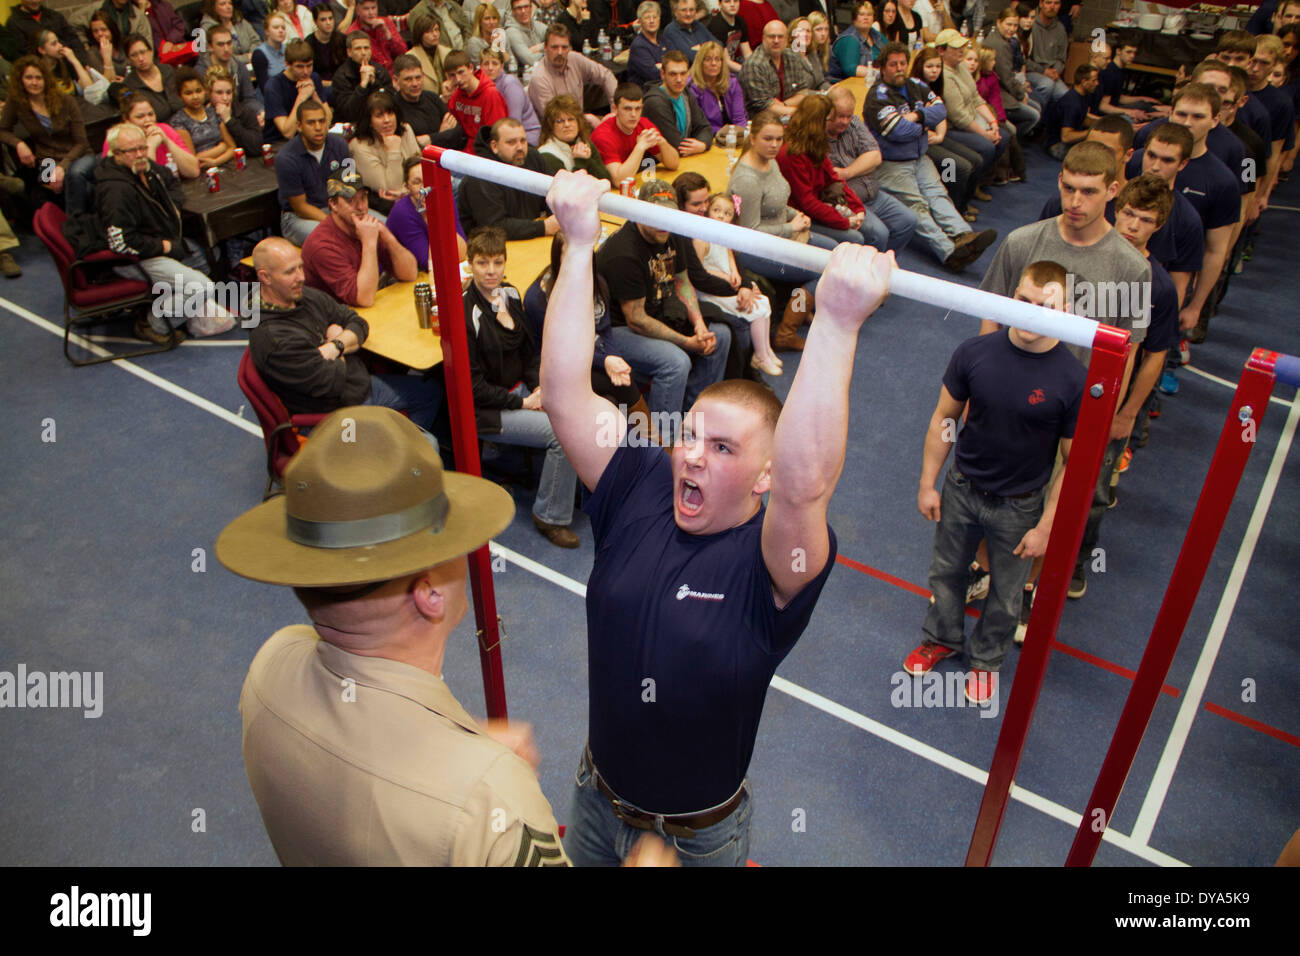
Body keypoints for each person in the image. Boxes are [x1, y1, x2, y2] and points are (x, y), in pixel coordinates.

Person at [542, 168, 890, 866]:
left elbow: (805, 485)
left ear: (764, 473)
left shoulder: (775, 564)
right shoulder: (639, 479)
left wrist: (838, 323)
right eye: (692, 434)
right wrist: (580, 245)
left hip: (695, 839)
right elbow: (562, 395)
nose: (691, 457)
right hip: (593, 803)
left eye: (723, 447)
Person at [218, 401, 580, 866]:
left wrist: (466, 745)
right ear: (429, 593)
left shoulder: (270, 664)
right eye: (450, 540)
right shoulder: (493, 804)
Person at [904, 259, 1085, 700]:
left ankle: (986, 661)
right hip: (962, 488)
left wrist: (1047, 526)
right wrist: (929, 481)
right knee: (946, 573)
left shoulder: (1074, 379)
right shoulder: (974, 352)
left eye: (1045, 305)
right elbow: (944, 418)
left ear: (1065, 310)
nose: (1030, 312)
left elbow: (1076, 464)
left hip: (1021, 505)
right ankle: (941, 639)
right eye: (1024, 300)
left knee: (1006, 593)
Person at [978, 141, 1150, 601]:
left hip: (1072, 409)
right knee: (985, 489)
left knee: (1049, 504)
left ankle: (1025, 589)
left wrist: (1110, 411)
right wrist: (983, 379)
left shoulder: (1131, 267)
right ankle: (980, 573)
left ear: (1113, 190)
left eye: (1090, 192)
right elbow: (990, 315)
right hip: (1008, 394)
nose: (1077, 202)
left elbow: (1128, 348)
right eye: (1070, 188)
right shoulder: (1022, 242)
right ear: (1059, 181)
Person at [461, 226, 583, 548]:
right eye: (482, 263)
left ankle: (569, 487)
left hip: (521, 393)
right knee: (561, 435)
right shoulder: (464, 311)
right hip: (487, 410)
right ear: (469, 264)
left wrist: (539, 388)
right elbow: (472, 388)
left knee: (572, 411)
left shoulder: (511, 295)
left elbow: (529, 353)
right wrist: (523, 404)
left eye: (498, 263)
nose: (491, 271)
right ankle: (550, 516)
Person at [248, 237, 442, 431]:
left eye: (300, 267)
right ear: (265, 277)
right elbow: (330, 381)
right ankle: (391, 452)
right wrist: (342, 340)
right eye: (290, 271)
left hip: (359, 385)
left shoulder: (302, 295)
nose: (301, 277)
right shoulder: (273, 338)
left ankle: (397, 447)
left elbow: (357, 322)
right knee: (430, 445)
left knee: (431, 391)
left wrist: (335, 346)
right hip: (337, 415)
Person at [593, 178, 732, 441]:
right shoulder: (623, 252)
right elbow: (636, 320)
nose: (662, 223)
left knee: (720, 335)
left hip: (657, 310)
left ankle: (694, 421)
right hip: (615, 330)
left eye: (668, 215)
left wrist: (700, 327)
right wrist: (688, 342)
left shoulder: (671, 232)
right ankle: (660, 443)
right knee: (675, 362)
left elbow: (683, 282)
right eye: (655, 215)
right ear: (638, 212)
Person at [94, 123, 237, 342]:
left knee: (206, 257)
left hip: (159, 244)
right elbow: (120, 243)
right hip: (135, 258)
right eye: (132, 151)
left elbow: (172, 182)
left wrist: (172, 206)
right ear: (116, 154)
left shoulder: (145, 170)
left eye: (143, 147)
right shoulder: (115, 191)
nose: (141, 154)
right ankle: (154, 324)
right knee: (201, 287)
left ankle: (170, 307)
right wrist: (164, 246)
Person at [866, 42, 994, 271]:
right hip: (892, 164)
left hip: (921, 156)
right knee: (918, 206)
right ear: (882, 67)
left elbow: (940, 110)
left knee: (938, 195)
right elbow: (897, 131)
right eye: (893, 64)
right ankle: (949, 252)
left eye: (902, 63)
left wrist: (916, 117)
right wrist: (925, 125)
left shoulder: (916, 84)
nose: (898, 68)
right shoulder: (877, 96)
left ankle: (964, 236)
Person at [725, 109, 827, 347]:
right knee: (821, 272)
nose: (774, 145)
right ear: (752, 138)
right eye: (767, 139)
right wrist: (791, 227)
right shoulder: (746, 180)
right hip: (756, 251)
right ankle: (786, 331)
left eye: (779, 139)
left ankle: (802, 309)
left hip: (781, 237)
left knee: (834, 250)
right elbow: (750, 232)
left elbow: (778, 203)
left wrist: (795, 215)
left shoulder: (770, 163)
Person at [523, 232, 646, 418]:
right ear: (558, 258)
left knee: (622, 381)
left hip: (589, 358)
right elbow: (562, 349)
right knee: (619, 388)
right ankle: (651, 444)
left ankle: (644, 444)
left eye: (583, 254)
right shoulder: (540, 298)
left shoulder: (598, 284)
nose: (578, 261)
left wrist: (614, 357)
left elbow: (604, 330)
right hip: (557, 369)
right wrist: (604, 361)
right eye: (570, 255)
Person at [693, 192, 782, 376]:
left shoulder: (724, 236)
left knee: (763, 301)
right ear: (708, 210)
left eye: (727, 213)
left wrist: (734, 273)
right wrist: (724, 276)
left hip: (726, 286)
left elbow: (730, 257)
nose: (720, 216)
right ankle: (760, 355)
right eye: (716, 210)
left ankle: (765, 350)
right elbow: (698, 269)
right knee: (757, 307)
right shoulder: (701, 238)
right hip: (710, 293)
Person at [301, 173, 420, 306]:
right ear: (333, 204)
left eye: (363, 198)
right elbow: (364, 299)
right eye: (350, 200)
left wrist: (388, 237)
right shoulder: (322, 245)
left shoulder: (366, 227)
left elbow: (410, 274)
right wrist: (369, 242)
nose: (360, 207)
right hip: (331, 319)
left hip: (358, 309)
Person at [826, 82, 918, 252]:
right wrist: (861, 164)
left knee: (908, 221)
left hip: (873, 192)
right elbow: (831, 178)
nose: (845, 121)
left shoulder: (854, 122)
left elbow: (875, 156)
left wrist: (847, 172)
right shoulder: (818, 135)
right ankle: (867, 271)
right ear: (827, 113)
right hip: (847, 200)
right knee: (879, 234)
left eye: (848, 116)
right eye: (840, 116)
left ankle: (881, 264)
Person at [776, 94, 873, 248]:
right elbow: (807, 203)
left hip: (822, 205)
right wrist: (844, 222)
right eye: (829, 120)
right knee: (855, 238)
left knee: (875, 231)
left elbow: (834, 179)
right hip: (802, 215)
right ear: (818, 123)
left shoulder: (815, 143)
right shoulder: (790, 153)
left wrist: (857, 208)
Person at [0, 56, 96, 211]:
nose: (34, 82)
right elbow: (2, 130)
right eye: (29, 77)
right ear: (21, 80)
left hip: (77, 155)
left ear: (46, 79)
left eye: (39, 77)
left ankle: (78, 220)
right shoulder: (17, 102)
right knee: (48, 185)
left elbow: (82, 143)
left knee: (73, 179)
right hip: (47, 158)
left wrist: (62, 167)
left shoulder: (66, 100)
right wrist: (19, 144)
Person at [459, 117, 558, 239]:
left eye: (523, 141)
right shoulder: (481, 173)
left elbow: (555, 193)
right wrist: (544, 227)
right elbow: (494, 226)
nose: (520, 147)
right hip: (491, 248)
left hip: (532, 238)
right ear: (494, 146)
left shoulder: (533, 157)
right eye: (511, 142)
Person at [938, 28, 1007, 182]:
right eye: (956, 48)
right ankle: (970, 187)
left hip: (970, 119)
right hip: (953, 127)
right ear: (942, 51)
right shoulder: (944, 75)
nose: (961, 51)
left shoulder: (961, 66)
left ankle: (979, 182)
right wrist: (984, 134)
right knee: (987, 146)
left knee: (1004, 136)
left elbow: (976, 97)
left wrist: (992, 122)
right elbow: (959, 117)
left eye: (962, 47)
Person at [276, 100, 350, 243]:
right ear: (299, 126)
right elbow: (300, 207)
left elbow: (349, 186)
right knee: (335, 239)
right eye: (311, 123)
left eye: (322, 121)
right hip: (299, 218)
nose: (318, 127)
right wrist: (337, 223)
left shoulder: (340, 145)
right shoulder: (286, 158)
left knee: (383, 226)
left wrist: (352, 214)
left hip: (336, 209)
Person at [526, 22, 616, 128]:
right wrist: (587, 118)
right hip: (557, 133)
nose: (560, 52)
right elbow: (555, 118)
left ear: (569, 48)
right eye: (554, 47)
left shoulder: (574, 59)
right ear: (545, 47)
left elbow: (606, 76)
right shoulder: (540, 78)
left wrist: (615, 106)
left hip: (580, 125)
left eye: (564, 47)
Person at [387, 154, 467, 267]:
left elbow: (462, 252)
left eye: (429, 179)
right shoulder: (402, 213)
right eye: (417, 182)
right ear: (406, 187)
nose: (424, 188)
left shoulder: (446, 200)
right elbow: (429, 262)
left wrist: (439, 213)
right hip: (399, 278)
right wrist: (431, 217)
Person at [349, 89, 420, 215]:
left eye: (390, 113)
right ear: (369, 121)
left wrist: (405, 191)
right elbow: (391, 189)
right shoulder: (359, 146)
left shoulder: (406, 130)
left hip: (414, 194)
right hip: (384, 207)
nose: (387, 120)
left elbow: (419, 169)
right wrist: (393, 151)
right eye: (379, 116)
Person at [102, 89, 200, 179]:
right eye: (140, 117)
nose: (148, 120)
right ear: (127, 120)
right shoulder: (115, 138)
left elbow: (193, 171)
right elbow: (145, 181)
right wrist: (151, 146)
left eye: (151, 114)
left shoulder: (164, 129)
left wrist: (167, 141)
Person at [591, 82, 681, 179]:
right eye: (627, 109)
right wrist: (640, 147)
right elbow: (619, 180)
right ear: (615, 109)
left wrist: (662, 142)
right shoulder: (603, 136)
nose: (633, 114)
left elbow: (674, 164)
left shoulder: (644, 124)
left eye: (637, 109)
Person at [983, 4, 1040, 140]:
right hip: (1000, 94)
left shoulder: (1006, 40)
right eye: (1008, 24)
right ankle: (1011, 141)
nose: (1012, 29)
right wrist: (1021, 94)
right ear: (999, 22)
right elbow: (1006, 78)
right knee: (1034, 115)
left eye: (1015, 26)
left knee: (1037, 105)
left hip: (1005, 89)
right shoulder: (999, 44)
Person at [738, 19, 815, 117]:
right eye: (771, 36)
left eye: (780, 36)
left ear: (787, 39)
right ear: (763, 38)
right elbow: (764, 107)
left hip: (788, 116)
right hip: (761, 121)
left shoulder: (793, 57)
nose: (776, 40)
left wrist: (784, 105)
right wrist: (799, 112)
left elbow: (803, 92)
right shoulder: (754, 65)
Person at [643, 49, 713, 155]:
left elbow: (705, 127)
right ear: (662, 74)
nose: (679, 79)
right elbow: (677, 145)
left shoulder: (686, 94)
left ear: (688, 74)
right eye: (673, 74)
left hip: (684, 160)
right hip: (656, 166)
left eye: (683, 73)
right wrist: (699, 145)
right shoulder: (655, 103)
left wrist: (702, 145)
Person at [391, 52, 466, 150]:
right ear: (396, 81)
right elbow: (409, 148)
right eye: (408, 79)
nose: (415, 83)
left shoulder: (432, 98)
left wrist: (431, 138)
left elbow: (458, 132)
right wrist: (442, 135)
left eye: (418, 77)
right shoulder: (393, 109)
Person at [263, 37, 331, 141]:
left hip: (309, 136)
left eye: (309, 66)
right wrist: (301, 97)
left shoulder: (314, 78)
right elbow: (287, 132)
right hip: (279, 142)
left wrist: (314, 94)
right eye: (299, 67)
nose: (305, 71)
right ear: (287, 64)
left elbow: (328, 120)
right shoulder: (274, 86)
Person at [538, 92, 615, 182]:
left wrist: (588, 160)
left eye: (571, 119)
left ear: (578, 122)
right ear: (551, 126)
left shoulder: (584, 143)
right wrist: (580, 161)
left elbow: (605, 179)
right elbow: (569, 190)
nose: (567, 125)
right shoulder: (547, 154)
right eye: (560, 121)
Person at [169, 66, 237, 167]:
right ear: (180, 96)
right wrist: (221, 148)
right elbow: (192, 160)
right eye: (188, 93)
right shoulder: (179, 121)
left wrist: (215, 162)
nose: (195, 97)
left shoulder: (212, 112)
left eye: (198, 91)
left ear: (205, 90)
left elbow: (232, 147)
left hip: (224, 164)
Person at [445, 49, 510, 143]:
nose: (458, 79)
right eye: (452, 75)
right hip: (463, 148)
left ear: (471, 68)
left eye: (461, 72)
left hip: (484, 150)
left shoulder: (490, 94)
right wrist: (446, 99)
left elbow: (496, 135)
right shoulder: (457, 94)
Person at [481, 48, 540, 146]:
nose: (490, 68)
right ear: (481, 66)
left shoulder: (509, 83)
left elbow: (514, 122)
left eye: (495, 64)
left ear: (502, 66)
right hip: (500, 135)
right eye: (486, 64)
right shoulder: (483, 85)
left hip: (526, 135)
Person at [331, 32, 393, 126]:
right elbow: (348, 112)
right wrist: (362, 86)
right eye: (358, 49)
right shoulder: (341, 76)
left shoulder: (380, 71)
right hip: (352, 125)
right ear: (349, 52)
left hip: (379, 122)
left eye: (366, 48)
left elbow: (390, 104)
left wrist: (374, 83)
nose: (363, 53)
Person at [122, 33, 184, 123]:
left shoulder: (168, 70)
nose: (140, 58)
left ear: (151, 51)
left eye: (143, 52)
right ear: (129, 59)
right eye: (134, 55)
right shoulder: (130, 84)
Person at [688, 40, 747, 133]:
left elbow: (739, 118)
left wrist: (740, 133)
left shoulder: (732, 82)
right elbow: (699, 124)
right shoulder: (693, 87)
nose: (713, 63)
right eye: (708, 59)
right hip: (708, 135)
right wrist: (725, 133)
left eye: (717, 59)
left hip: (733, 134)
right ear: (700, 62)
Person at [7, 0, 87, 67]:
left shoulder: (54, 16)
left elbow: (73, 40)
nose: (35, 1)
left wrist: (82, 63)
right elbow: (22, 55)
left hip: (68, 67)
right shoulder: (14, 24)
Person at [198, 23, 259, 107]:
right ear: (210, 47)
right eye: (220, 44)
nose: (226, 49)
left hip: (240, 114)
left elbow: (249, 98)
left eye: (229, 43)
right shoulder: (200, 73)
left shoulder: (239, 67)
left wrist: (259, 112)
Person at [1047, 61, 1098, 160]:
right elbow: (1066, 137)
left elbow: (1083, 119)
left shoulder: (1084, 96)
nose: (1097, 83)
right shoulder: (1072, 103)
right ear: (1084, 82)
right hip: (1057, 146)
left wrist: (1104, 124)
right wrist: (1092, 132)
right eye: (1094, 80)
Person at [208, 66, 263, 155]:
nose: (225, 98)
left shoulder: (245, 111)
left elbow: (256, 148)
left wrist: (229, 120)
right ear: (209, 93)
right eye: (219, 93)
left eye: (229, 92)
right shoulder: (204, 114)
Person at [1025, 0, 1067, 107]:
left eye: (1056, 3)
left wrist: (1056, 71)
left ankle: (1049, 122)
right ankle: (1036, 115)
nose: (1052, 7)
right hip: (1031, 71)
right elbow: (1024, 60)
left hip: (1052, 73)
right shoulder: (1030, 25)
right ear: (1041, 3)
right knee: (1047, 85)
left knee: (1065, 95)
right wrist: (1043, 71)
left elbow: (1061, 58)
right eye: (1048, 2)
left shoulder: (1060, 29)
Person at [830, 1, 886, 82]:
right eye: (862, 14)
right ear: (854, 18)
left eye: (869, 14)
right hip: (847, 84)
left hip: (873, 81)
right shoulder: (849, 39)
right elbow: (851, 69)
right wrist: (881, 73)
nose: (866, 18)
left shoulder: (875, 34)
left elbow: (891, 51)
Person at [347, 0, 406, 71]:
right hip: (374, 74)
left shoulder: (387, 22)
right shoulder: (353, 32)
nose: (371, 13)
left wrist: (387, 33)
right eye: (366, 9)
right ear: (357, 11)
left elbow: (403, 52)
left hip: (395, 72)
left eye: (373, 8)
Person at [406, 9, 452, 97]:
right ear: (420, 34)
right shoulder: (411, 57)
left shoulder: (447, 52)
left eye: (436, 30)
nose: (435, 34)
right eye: (429, 31)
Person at [199, 0, 260, 64]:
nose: (228, 7)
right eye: (223, 4)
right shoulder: (205, 29)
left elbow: (257, 41)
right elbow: (207, 56)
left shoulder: (240, 20)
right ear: (213, 8)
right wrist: (245, 58)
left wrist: (253, 54)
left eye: (230, 3)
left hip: (252, 62)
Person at [467, 2, 517, 74]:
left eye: (494, 18)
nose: (492, 22)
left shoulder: (502, 36)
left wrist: (500, 47)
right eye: (487, 19)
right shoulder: (474, 43)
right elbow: (482, 70)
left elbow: (512, 64)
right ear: (479, 22)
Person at [708, 0, 753, 74]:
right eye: (727, 1)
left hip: (734, 62)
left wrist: (755, 67)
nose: (732, 4)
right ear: (720, 4)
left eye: (735, 1)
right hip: (718, 68)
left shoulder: (740, 21)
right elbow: (726, 62)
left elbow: (747, 53)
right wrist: (748, 71)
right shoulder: (716, 26)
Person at [627, 0, 665, 87]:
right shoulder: (638, 46)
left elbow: (676, 62)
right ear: (640, 21)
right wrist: (666, 66)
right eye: (647, 17)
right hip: (646, 93)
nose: (652, 21)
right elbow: (654, 75)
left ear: (659, 19)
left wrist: (660, 66)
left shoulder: (664, 40)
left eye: (655, 17)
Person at [306, 3, 347, 85]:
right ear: (315, 22)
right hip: (319, 85)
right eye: (323, 20)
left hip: (342, 84)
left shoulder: (342, 39)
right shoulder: (308, 43)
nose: (328, 22)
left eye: (330, 18)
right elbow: (308, 74)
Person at [662, 0, 713, 64]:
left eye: (691, 10)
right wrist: (708, 48)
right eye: (684, 10)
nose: (688, 14)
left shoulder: (698, 25)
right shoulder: (671, 31)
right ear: (675, 12)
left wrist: (701, 47)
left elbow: (718, 44)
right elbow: (689, 57)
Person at [251, 11, 290, 92]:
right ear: (266, 31)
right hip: (271, 96)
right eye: (276, 27)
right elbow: (265, 88)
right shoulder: (259, 54)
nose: (281, 31)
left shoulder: (289, 49)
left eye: (283, 28)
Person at [505, 0, 547, 70]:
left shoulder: (538, 25)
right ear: (512, 11)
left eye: (526, 6)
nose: (523, 11)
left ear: (531, 8)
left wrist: (540, 47)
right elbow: (530, 60)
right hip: (522, 76)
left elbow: (559, 41)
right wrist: (549, 52)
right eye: (519, 8)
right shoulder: (511, 32)